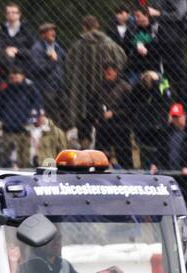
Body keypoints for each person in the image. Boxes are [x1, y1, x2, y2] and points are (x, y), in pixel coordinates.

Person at [67, 15, 126, 147]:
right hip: (105, 91)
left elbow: (69, 66)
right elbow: (122, 59)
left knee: (83, 122)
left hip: (82, 92)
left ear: (84, 27)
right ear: (97, 26)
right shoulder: (109, 44)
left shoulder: (77, 46)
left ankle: (85, 148)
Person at [152, 102, 187, 235]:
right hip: (171, 176)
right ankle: (171, 235)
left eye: (178, 117)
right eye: (174, 117)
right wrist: (155, 163)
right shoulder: (167, 132)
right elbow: (159, 151)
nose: (176, 120)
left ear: (184, 116)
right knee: (169, 207)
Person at [19, 229, 119, 273]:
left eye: (59, 238)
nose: (57, 243)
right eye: (51, 240)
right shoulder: (33, 264)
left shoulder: (63, 264)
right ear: (39, 242)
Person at [0, 63, 42, 168]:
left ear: (22, 76)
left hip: (24, 128)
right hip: (8, 127)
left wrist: (32, 119)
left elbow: (37, 104)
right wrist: (3, 118)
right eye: (12, 76)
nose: (14, 78)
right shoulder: (6, 88)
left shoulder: (30, 88)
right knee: (6, 157)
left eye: (16, 75)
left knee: (24, 157)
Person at [95, 63, 132, 167]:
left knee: (124, 156)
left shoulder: (125, 87)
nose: (107, 74)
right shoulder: (100, 87)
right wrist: (97, 116)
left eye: (109, 72)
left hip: (120, 125)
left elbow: (130, 108)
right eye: (105, 72)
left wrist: (114, 113)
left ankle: (127, 174)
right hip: (103, 126)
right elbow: (93, 104)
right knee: (101, 156)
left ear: (116, 72)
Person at [29, 22, 64, 128]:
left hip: (59, 86)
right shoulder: (37, 49)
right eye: (50, 31)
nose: (53, 33)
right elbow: (38, 69)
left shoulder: (57, 47)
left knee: (60, 115)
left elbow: (64, 61)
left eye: (54, 31)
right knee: (51, 116)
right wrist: (52, 61)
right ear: (42, 34)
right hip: (45, 88)